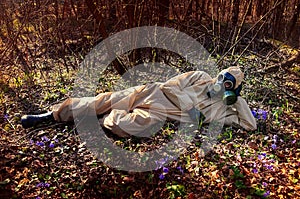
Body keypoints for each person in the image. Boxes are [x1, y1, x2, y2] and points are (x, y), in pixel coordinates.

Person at [21, 66, 257, 137]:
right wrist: (192, 109)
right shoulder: (201, 78)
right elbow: (170, 86)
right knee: (104, 100)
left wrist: (237, 100)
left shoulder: (227, 110)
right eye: (221, 78)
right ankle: (52, 115)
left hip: (162, 115)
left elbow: (250, 125)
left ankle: (103, 120)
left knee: (131, 126)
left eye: (227, 84)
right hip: (152, 93)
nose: (220, 84)